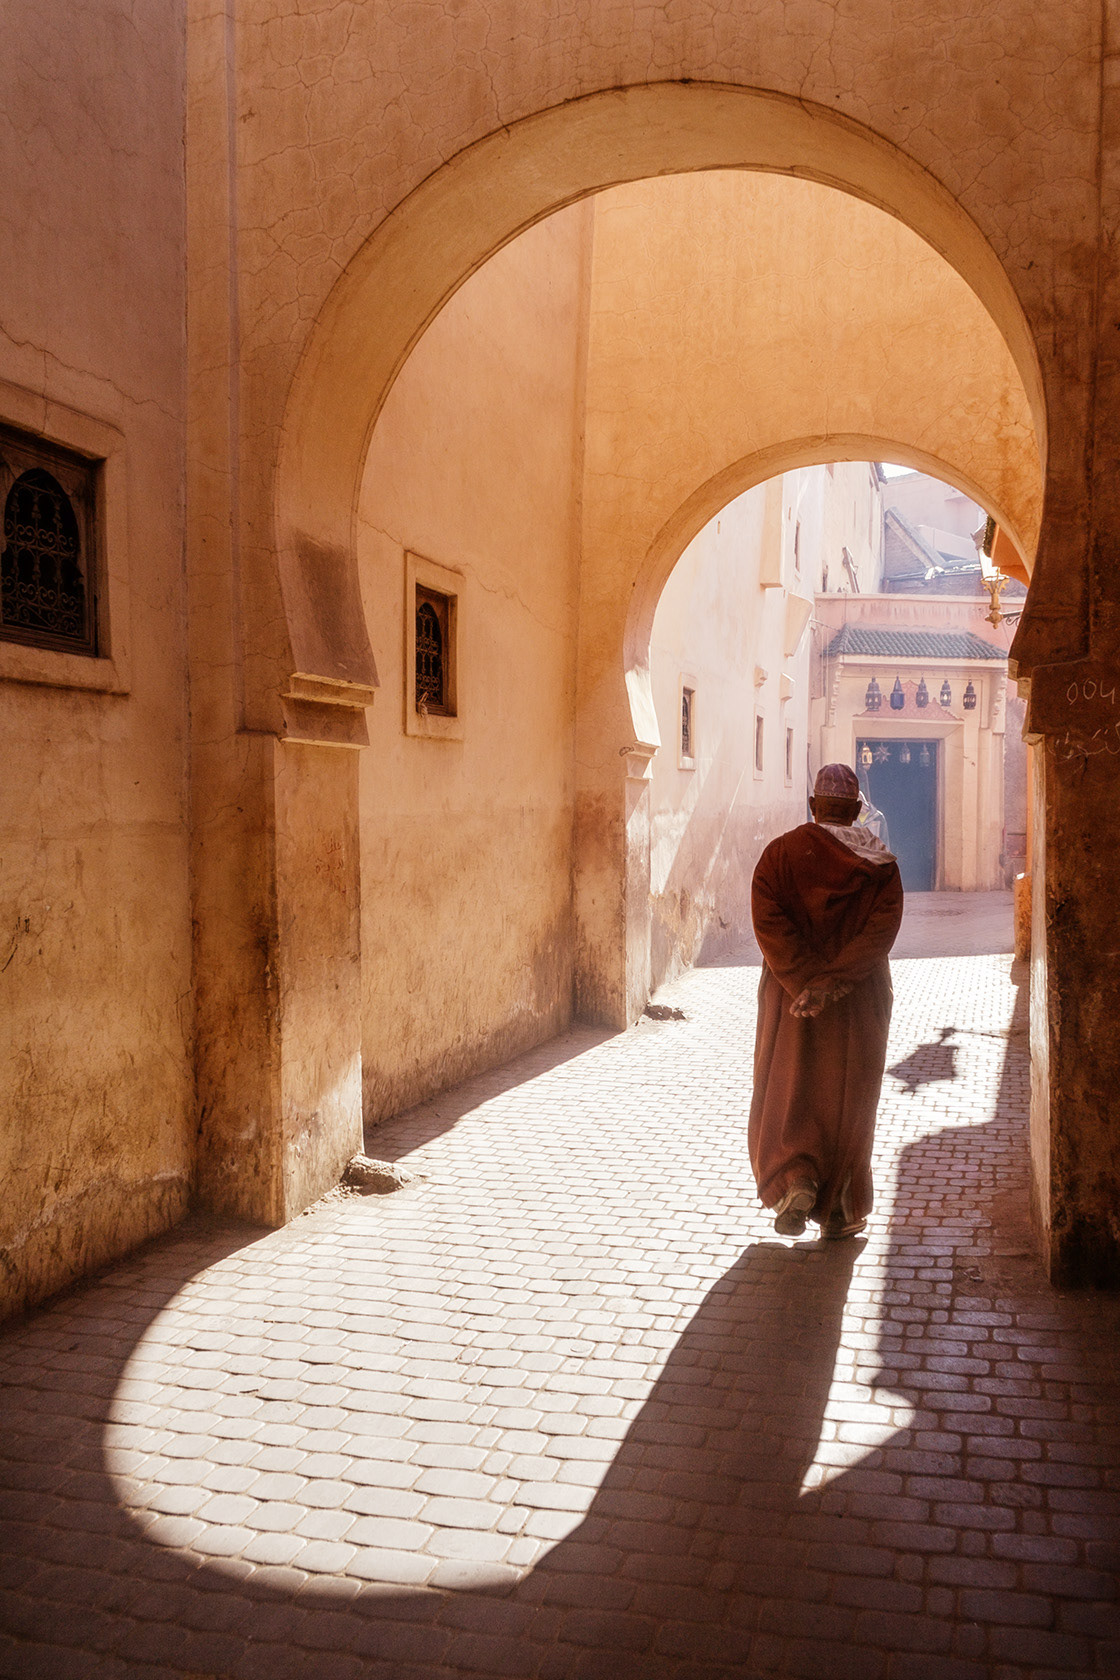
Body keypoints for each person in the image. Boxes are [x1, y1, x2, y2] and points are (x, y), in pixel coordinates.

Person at [749, 762, 904, 1239]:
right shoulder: (882, 864)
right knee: (850, 1096)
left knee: (789, 1085)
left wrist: (803, 981)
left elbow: (767, 918)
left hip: (789, 998)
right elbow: (881, 932)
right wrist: (834, 981)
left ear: (813, 806)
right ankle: (841, 1208)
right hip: (857, 1000)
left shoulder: (779, 855)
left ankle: (797, 1177)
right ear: (857, 810)